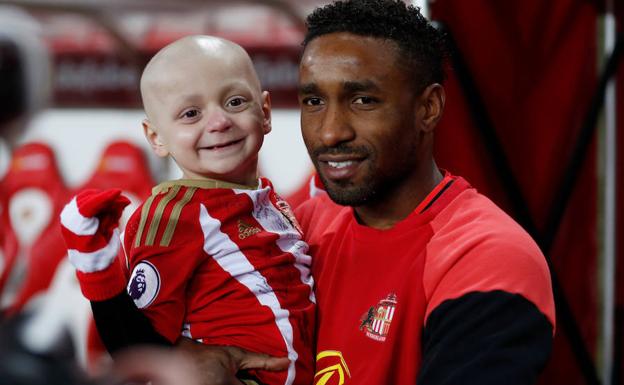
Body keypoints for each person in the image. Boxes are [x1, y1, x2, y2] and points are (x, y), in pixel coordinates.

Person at [74, 1, 556, 384]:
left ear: (428, 108)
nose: (329, 133)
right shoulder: (300, 226)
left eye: (363, 100)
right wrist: (193, 361)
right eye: (313, 101)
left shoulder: (486, 256)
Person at [59, 35, 315, 385]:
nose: (218, 121)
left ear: (265, 112)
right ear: (156, 138)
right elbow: (138, 350)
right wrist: (97, 269)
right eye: (191, 113)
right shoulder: (173, 215)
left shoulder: (265, 196)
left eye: (235, 101)